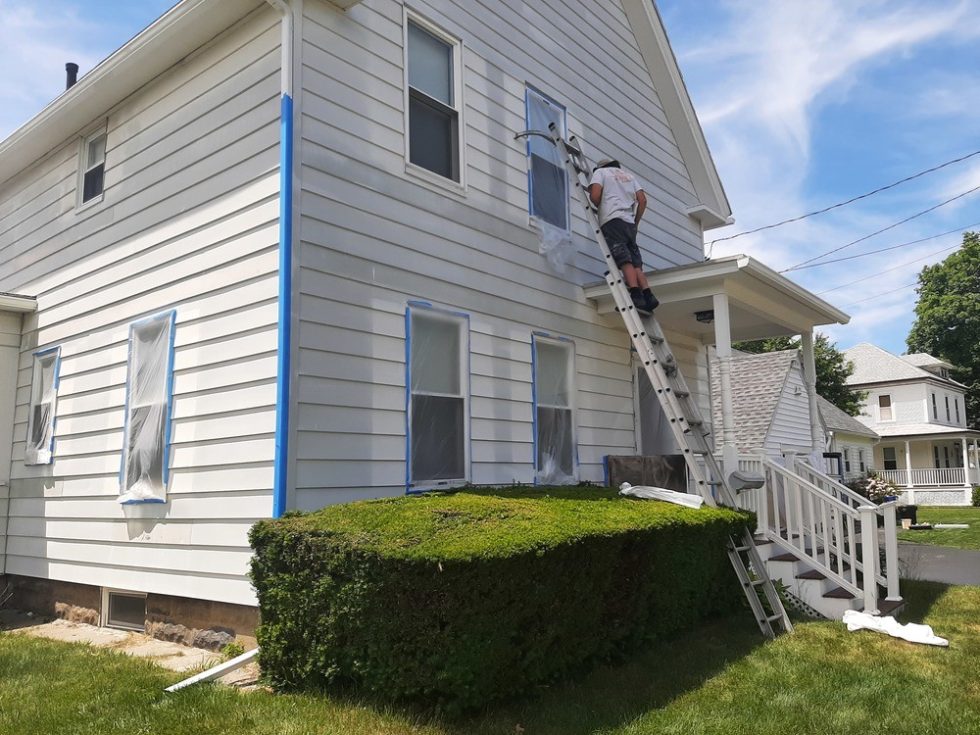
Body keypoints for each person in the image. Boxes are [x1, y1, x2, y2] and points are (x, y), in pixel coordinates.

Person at [588, 158, 658, 314]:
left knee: (624, 259)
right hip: (629, 223)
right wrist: (636, 221)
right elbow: (643, 200)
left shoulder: (600, 172)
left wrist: (601, 206)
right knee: (635, 262)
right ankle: (648, 294)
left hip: (612, 220)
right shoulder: (629, 176)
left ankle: (635, 293)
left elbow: (594, 195)